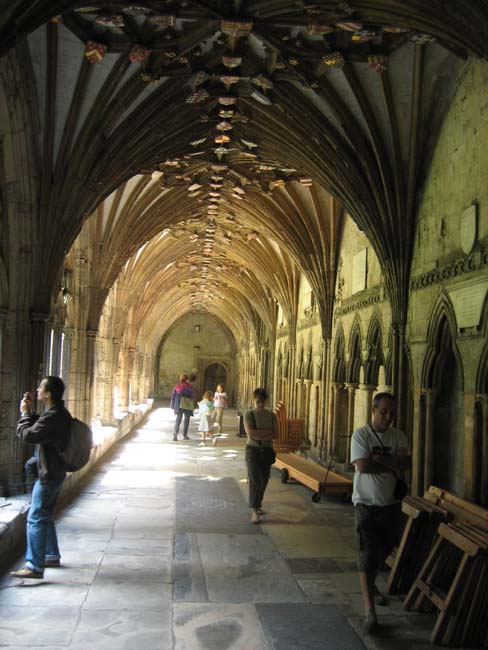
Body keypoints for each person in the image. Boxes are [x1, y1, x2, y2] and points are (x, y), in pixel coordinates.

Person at [350, 392, 410, 634]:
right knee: (366, 553)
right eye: (384, 411)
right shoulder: (361, 435)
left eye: (392, 412)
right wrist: (390, 461)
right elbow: (362, 466)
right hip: (365, 503)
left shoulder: (399, 436)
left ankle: (371, 585)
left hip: (391, 503)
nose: (389, 416)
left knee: (384, 549)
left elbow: (406, 463)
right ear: (373, 411)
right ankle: (370, 612)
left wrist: (378, 459)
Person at [11, 376, 72, 579]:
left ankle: (34, 566)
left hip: (48, 474)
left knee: (35, 516)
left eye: (41, 388)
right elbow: (43, 427)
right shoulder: (58, 414)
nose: (37, 390)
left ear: (48, 394)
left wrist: (25, 414)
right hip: (55, 472)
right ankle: (51, 554)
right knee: (45, 514)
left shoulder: (53, 417)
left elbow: (29, 435)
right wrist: (33, 414)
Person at [243, 388, 278, 524]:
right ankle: (255, 510)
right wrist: (266, 433)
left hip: (267, 450)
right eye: (258, 402)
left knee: (264, 480)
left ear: (266, 401)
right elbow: (251, 434)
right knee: (254, 480)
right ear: (254, 400)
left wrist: (260, 432)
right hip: (253, 450)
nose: (261, 405)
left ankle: (257, 503)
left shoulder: (271, 415)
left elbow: (276, 434)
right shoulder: (249, 415)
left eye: (263, 402)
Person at [170, 373, 196, 441]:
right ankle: (185, 435)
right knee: (186, 420)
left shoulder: (177, 386)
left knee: (178, 420)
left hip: (178, 405)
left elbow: (173, 396)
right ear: (187, 379)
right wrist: (194, 405)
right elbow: (192, 396)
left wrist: (173, 406)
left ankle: (175, 435)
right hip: (187, 405)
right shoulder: (189, 386)